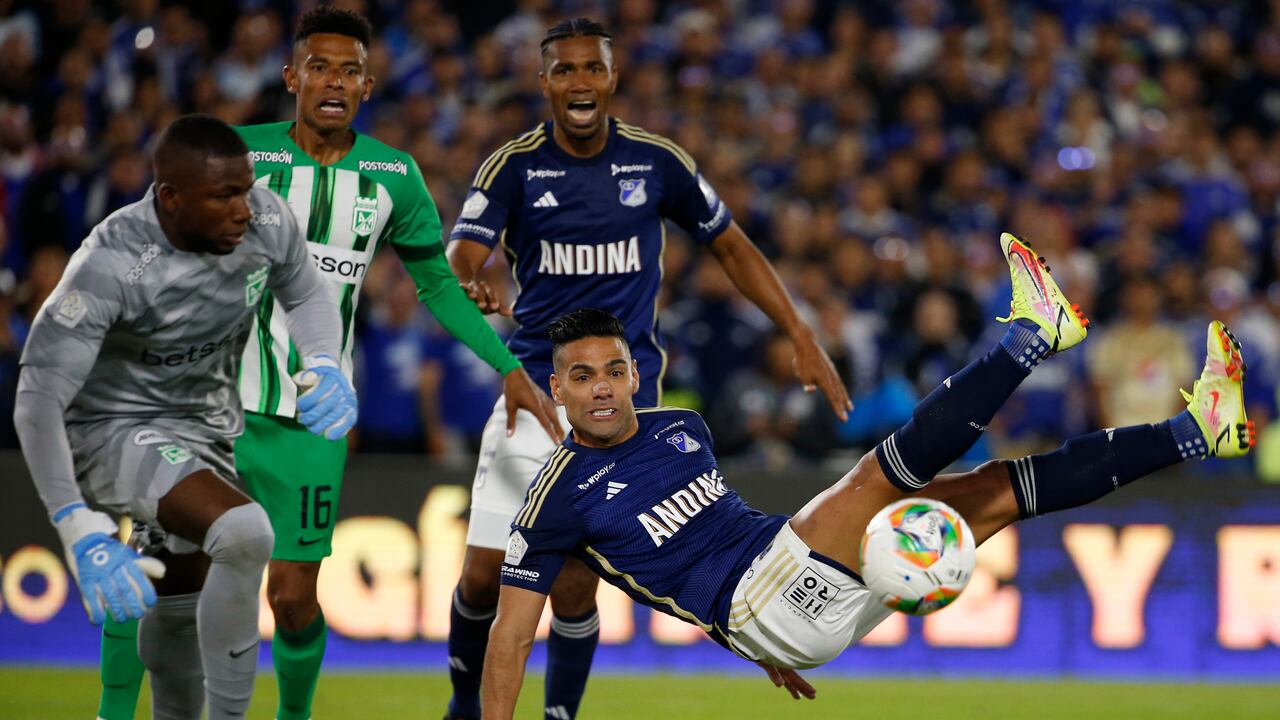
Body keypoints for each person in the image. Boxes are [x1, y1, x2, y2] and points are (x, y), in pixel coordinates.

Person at [482, 233, 1254, 717]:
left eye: (613, 370)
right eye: (581, 376)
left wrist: (766, 647)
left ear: (632, 372)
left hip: (786, 595)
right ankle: (1032, 335)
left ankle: (1196, 431)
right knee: (875, 478)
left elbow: (691, 557)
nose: (602, 387)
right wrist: (758, 632)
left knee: (999, 489)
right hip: (767, 603)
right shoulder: (553, 499)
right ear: (558, 389)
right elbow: (511, 639)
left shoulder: (679, 428)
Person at [93, 8, 561, 720]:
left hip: (310, 424)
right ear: (293, 78)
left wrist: (509, 366)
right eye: (320, 68)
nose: (334, 82)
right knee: (158, 573)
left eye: (349, 71)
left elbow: (436, 285)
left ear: (367, 86)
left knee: (292, 598)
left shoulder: (393, 176)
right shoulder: (238, 156)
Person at [444, 17, 852, 720]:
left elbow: (731, 245)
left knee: (577, 584)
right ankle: (461, 706)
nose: (580, 82)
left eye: (592, 68)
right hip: (534, 390)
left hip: (624, 406)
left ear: (613, 77)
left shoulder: (656, 161)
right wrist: (468, 280)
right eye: (565, 70)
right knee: (484, 576)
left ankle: (559, 715)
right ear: (544, 82)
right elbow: (460, 254)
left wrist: (798, 330)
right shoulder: (514, 166)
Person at [14, 113, 356, 720]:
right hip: (110, 429)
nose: (244, 210)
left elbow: (305, 293)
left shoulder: (265, 218)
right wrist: (74, 523)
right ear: (170, 198)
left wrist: (325, 361)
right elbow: (38, 397)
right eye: (224, 196)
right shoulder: (112, 262)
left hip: (205, 429)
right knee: (245, 533)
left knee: (178, 595)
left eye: (246, 189)